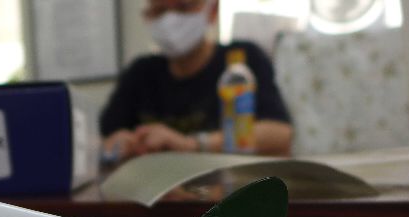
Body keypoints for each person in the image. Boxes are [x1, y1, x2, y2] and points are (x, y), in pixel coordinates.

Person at [100, 0, 293, 161]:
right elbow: (106, 136)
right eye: (160, 11)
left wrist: (191, 144)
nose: (170, 20)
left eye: (183, 7)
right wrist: (119, 143)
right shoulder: (139, 72)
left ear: (213, 10)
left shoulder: (241, 62)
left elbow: (280, 134)